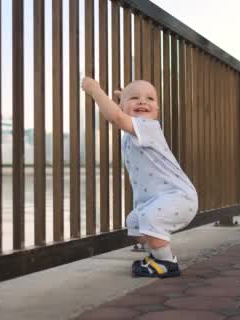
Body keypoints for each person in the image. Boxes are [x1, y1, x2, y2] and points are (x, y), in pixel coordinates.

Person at [81, 77, 198, 278]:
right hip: (159, 199)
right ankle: (155, 256)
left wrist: (95, 91)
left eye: (150, 99)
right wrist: (122, 100)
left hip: (178, 197)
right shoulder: (134, 130)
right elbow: (121, 114)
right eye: (135, 98)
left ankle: (167, 262)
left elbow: (116, 117)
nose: (143, 102)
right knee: (135, 222)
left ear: (157, 111)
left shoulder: (148, 127)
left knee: (149, 218)